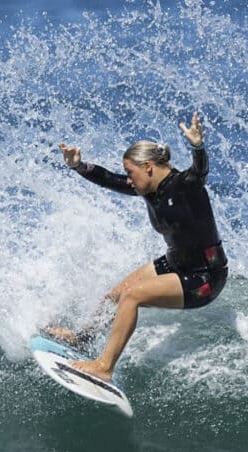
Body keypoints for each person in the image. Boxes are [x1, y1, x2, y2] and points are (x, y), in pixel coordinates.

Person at [54, 112, 228, 382]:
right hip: (175, 263)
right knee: (114, 295)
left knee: (132, 296)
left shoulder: (186, 185)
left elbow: (199, 172)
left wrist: (198, 147)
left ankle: (104, 367)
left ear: (147, 166)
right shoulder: (148, 189)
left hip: (205, 278)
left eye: (130, 173)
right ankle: (82, 339)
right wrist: (78, 166)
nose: (128, 180)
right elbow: (109, 179)